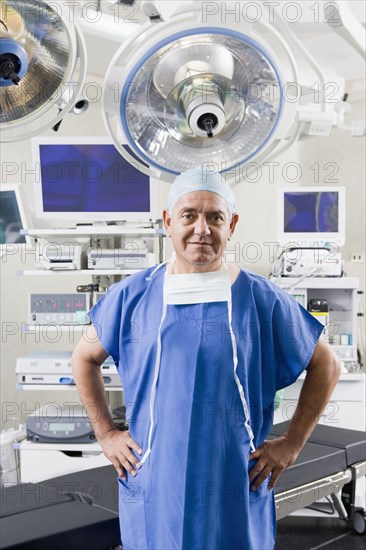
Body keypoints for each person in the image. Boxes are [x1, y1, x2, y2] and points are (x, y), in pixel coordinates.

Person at [72, 167, 340, 550]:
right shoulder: (132, 296)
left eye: (214, 217)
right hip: (156, 485)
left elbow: (327, 365)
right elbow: (83, 358)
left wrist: (292, 443)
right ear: (168, 222)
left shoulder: (263, 300)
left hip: (233, 483)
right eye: (188, 215)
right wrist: (107, 435)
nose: (202, 228)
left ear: (231, 225)